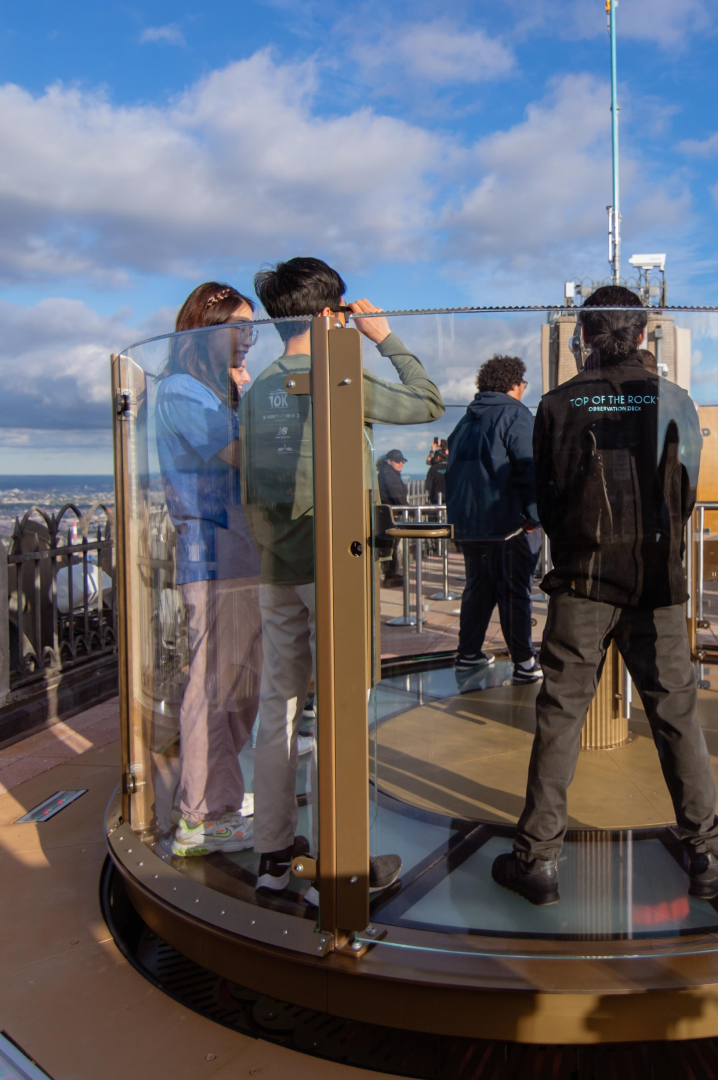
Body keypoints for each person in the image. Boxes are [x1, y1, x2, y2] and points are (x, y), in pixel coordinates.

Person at [492, 286, 718, 906]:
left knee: (560, 717)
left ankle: (539, 860)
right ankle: (708, 852)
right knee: (676, 715)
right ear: (642, 335)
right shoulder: (674, 399)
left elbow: (548, 500)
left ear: (585, 336)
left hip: (582, 580)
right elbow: (681, 496)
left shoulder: (556, 404)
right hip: (657, 582)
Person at [241, 256, 444, 893]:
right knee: (343, 707)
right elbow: (429, 401)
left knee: (278, 707)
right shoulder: (342, 376)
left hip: (277, 565)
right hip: (335, 562)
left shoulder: (260, 389)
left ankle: (273, 854)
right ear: (332, 314)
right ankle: (341, 860)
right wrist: (385, 339)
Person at [156, 282, 264, 857]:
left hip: (237, 556)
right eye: (239, 328)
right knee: (217, 688)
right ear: (206, 327)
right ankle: (203, 814)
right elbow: (242, 453)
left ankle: (214, 798)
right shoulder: (181, 391)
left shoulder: (204, 392)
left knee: (238, 686)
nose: (248, 340)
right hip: (217, 557)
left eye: (251, 329)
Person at [446, 355, 542, 682]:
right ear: (514, 384)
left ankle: (469, 654)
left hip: (470, 525)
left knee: (479, 589)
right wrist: (534, 516)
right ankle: (525, 662)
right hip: (508, 525)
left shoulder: (465, 421)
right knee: (515, 591)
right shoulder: (515, 414)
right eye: (523, 383)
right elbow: (530, 467)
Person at [376, 449, 411, 587]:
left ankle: (391, 573)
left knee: (391, 546)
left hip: (388, 515)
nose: (401, 463)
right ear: (389, 461)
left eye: (402, 461)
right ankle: (390, 575)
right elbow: (397, 496)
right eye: (398, 461)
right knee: (391, 546)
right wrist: (410, 510)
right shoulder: (389, 475)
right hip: (390, 516)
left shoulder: (386, 472)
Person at [424, 438, 450, 506]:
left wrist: (432, 450)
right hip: (450, 498)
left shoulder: (433, 468)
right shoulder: (452, 464)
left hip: (436, 500)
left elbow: (428, 461)